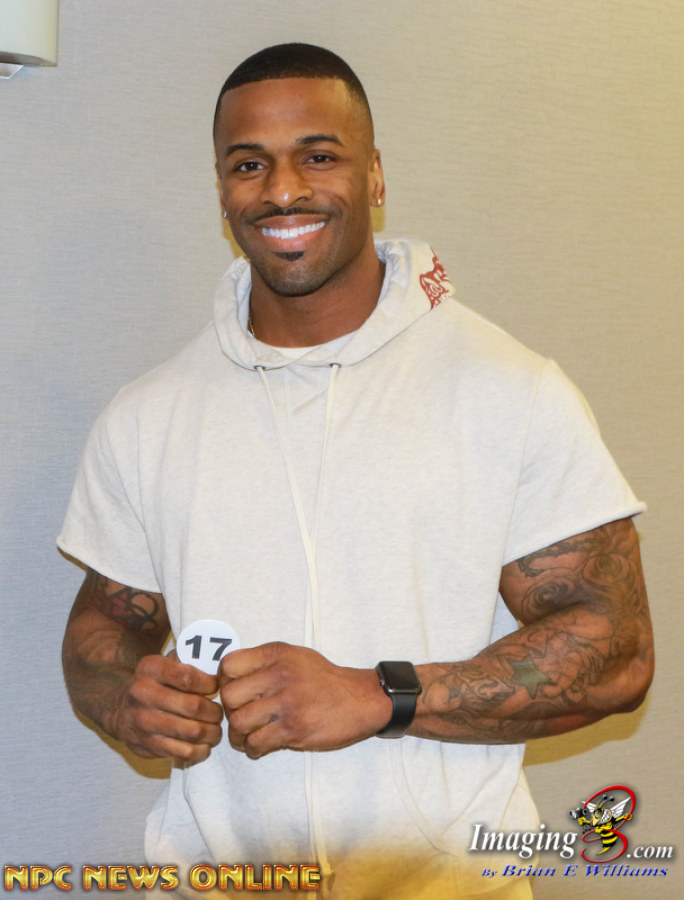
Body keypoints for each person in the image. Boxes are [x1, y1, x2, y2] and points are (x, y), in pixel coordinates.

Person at [59, 43, 653, 899]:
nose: (282, 190)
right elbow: (102, 627)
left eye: (319, 156)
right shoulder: (149, 415)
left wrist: (381, 695)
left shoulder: (507, 391)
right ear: (222, 190)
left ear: (374, 176)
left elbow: (618, 650)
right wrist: (125, 696)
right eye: (249, 164)